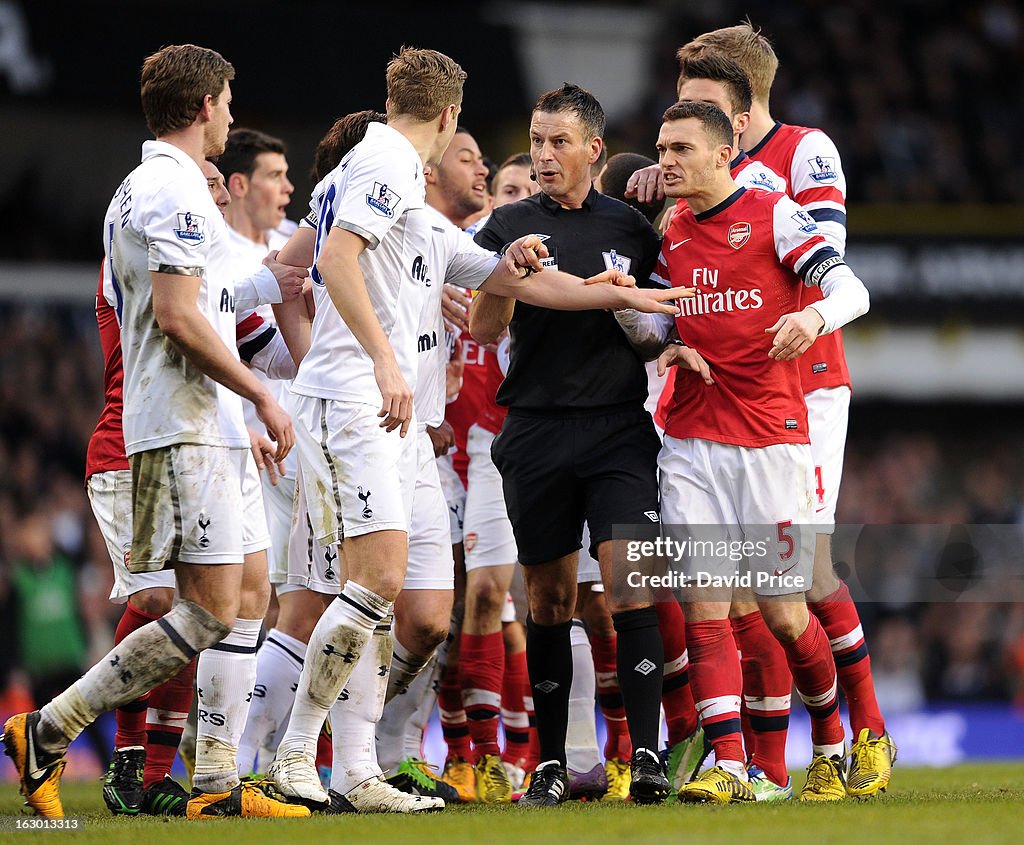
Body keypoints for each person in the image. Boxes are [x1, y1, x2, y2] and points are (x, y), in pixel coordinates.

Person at [266, 50, 680, 814]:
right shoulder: (388, 162)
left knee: (426, 608)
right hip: (365, 403)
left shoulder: (398, 196)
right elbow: (330, 257)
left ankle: (360, 762)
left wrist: (615, 292)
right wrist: (384, 360)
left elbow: (513, 282)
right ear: (449, 115)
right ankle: (297, 755)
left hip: (415, 425)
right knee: (372, 583)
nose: (535, 159)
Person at [3, 44, 306, 820]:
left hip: (200, 423)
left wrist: (274, 280)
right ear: (205, 105)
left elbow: (201, 303)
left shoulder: (164, 189)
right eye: (229, 101)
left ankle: (213, 782)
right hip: (178, 426)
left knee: (241, 598)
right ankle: (49, 726)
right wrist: (260, 397)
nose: (233, 116)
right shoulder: (167, 189)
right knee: (202, 609)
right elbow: (176, 318)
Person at [617, 99, 869, 804]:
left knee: (785, 613)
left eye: (681, 149)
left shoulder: (778, 214)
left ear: (724, 153)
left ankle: (831, 737)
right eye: (662, 148)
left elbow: (851, 288)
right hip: (691, 441)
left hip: (770, 442)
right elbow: (639, 314)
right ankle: (729, 765)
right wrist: (652, 333)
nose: (666, 161)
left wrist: (813, 313)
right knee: (706, 605)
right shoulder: (665, 235)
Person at [676, 24, 895, 800]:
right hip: (718, 400)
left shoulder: (805, 153)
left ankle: (861, 734)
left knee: (799, 569)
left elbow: (827, 266)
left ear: (738, 107)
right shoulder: (687, 178)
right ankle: (756, 762)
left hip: (804, 384)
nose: (684, 119)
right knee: (727, 584)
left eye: (699, 103)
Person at [469, 83, 676, 807]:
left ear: (593, 148)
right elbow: (485, 328)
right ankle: (551, 761)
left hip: (620, 428)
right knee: (550, 597)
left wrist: (673, 344)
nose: (545, 155)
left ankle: (648, 755)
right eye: (537, 140)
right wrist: (507, 273)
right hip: (536, 427)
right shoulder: (508, 222)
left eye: (560, 142)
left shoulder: (634, 227)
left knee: (630, 583)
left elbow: (660, 324)